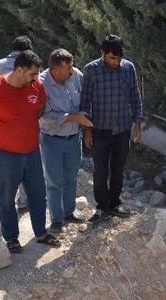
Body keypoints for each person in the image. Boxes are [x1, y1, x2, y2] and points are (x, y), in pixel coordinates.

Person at [0, 50, 61, 253]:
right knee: (7, 198)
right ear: (20, 70)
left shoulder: (36, 86)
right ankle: (11, 238)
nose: (35, 79)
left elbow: (39, 110)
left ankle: (40, 233)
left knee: (38, 195)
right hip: (5, 155)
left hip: (31, 153)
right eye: (32, 74)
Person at [80, 34, 144, 220]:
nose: (115, 62)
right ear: (103, 53)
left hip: (122, 130)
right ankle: (102, 207)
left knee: (118, 169)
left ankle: (115, 204)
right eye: (111, 58)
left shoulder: (128, 68)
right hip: (99, 130)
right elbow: (85, 102)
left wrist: (137, 124)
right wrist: (88, 130)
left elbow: (135, 97)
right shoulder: (91, 70)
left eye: (118, 58)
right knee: (100, 171)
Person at [38, 48, 93, 234]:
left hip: (73, 139)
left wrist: (86, 128)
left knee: (71, 177)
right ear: (55, 70)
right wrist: (72, 117)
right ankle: (56, 219)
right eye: (68, 67)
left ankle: (69, 212)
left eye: (72, 65)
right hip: (52, 140)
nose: (72, 70)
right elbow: (42, 116)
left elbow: (85, 100)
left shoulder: (76, 75)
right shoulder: (41, 84)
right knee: (54, 181)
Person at [0, 35, 32, 213]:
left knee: (1, 164)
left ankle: (0, 201)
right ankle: (22, 201)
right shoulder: (31, 66)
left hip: (0, 125)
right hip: (23, 126)